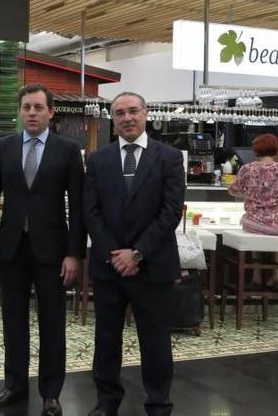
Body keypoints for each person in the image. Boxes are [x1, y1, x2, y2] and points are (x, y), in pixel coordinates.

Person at [0, 84, 85, 416]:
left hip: (53, 250)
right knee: (13, 320)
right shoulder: (4, 146)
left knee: (53, 322)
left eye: (39, 107)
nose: (32, 113)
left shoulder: (68, 151)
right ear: (20, 111)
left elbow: (79, 206)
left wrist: (74, 253)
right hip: (10, 247)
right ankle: (14, 385)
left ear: (51, 112)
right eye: (26, 107)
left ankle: (51, 393)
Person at [83, 91, 185, 416]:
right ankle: (107, 401)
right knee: (106, 341)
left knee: (155, 343)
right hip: (109, 266)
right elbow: (91, 211)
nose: (126, 118)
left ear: (146, 114)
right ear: (112, 119)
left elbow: (170, 213)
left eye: (132, 111)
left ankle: (158, 404)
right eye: (119, 113)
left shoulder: (169, 157)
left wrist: (137, 253)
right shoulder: (98, 159)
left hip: (152, 267)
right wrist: (116, 253)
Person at [228, 134, 278, 288]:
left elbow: (234, 190)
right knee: (277, 231)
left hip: (255, 223)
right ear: (277, 150)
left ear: (256, 150)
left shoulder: (248, 169)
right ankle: (277, 275)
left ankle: (257, 275)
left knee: (255, 227)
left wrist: (245, 191)